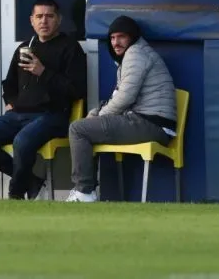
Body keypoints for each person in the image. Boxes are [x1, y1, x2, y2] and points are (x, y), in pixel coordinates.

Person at [0, 0, 87, 200]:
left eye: (49, 16)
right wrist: (10, 101)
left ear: (58, 20)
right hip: (18, 114)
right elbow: (8, 83)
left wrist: (43, 72)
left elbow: (76, 90)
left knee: (22, 142)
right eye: (39, 17)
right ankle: (30, 181)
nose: (44, 21)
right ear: (32, 21)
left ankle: (15, 193)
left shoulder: (70, 48)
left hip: (52, 115)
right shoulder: (25, 47)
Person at [66, 16, 176, 203]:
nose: (116, 43)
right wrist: (97, 113)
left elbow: (125, 97)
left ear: (132, 37)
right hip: (147, 121)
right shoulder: (132, 55)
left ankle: (84, 191)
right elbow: (118, 97)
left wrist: (99, 116)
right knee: (86, 126)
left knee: (78, 129)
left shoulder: (136, 54)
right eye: (112, 38)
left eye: (121, 37)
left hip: (151, 124)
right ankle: (85, 191)